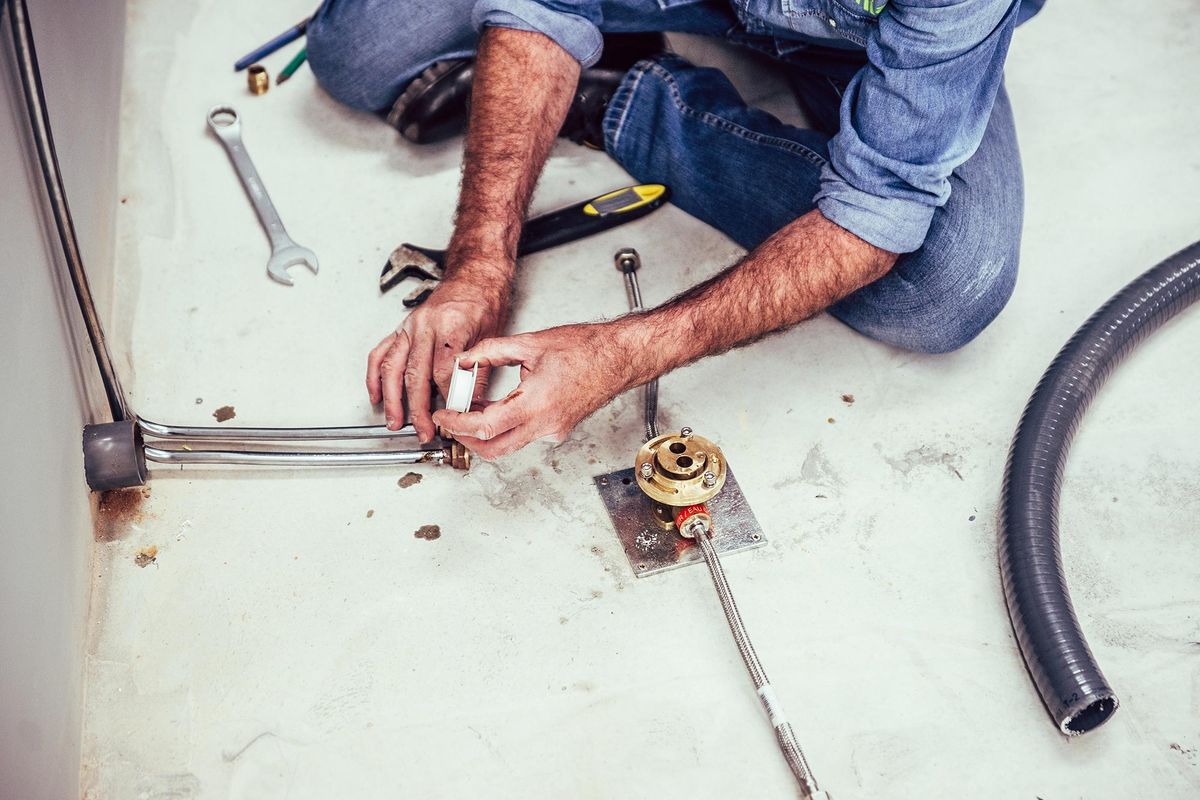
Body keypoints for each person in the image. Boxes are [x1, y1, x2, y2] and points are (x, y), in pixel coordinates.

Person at [305, 0, 1044, 459]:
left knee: (945, 284)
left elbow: (878, 204)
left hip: (860, 44)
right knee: (356, 51)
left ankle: (626, 102)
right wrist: (478, 263)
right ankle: (610, 45)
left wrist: (621, 353)